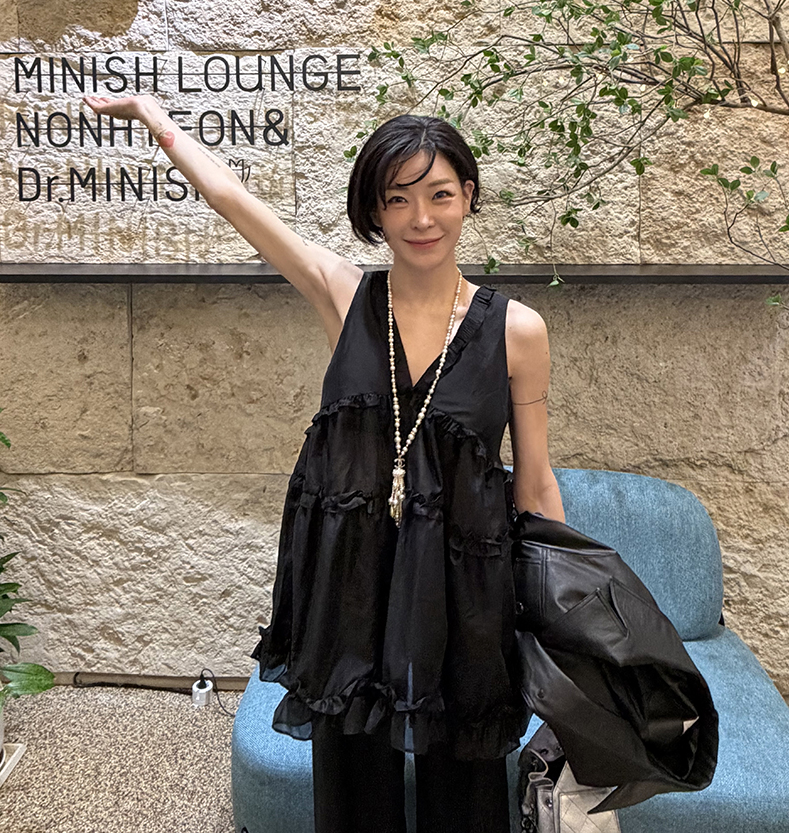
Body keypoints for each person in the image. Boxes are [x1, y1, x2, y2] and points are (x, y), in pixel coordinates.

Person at [82, 93, 567, 833]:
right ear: (375, 211)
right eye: (398, 199)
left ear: (468, 196)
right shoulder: (345, 295)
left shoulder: (518, 330)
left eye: (439, 195)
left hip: (463, 589)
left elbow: (533, 479)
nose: (422, 218)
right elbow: (233, 200)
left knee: (465, 782)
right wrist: (156, 118)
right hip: (351, 582)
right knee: (353, 783)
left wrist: (565, 616)